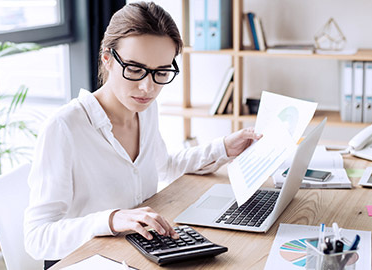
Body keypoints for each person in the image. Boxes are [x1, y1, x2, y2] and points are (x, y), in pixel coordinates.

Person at [23, 2, 262, 268]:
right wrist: (111, 219)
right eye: (135, 69)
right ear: (107, 58)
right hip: (88, 261)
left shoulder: (145, 110)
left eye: (161, 72)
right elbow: (37, 238)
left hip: (138, 253)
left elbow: (165, 167)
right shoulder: (64, 128)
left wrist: (223, 148)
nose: (147, 87)